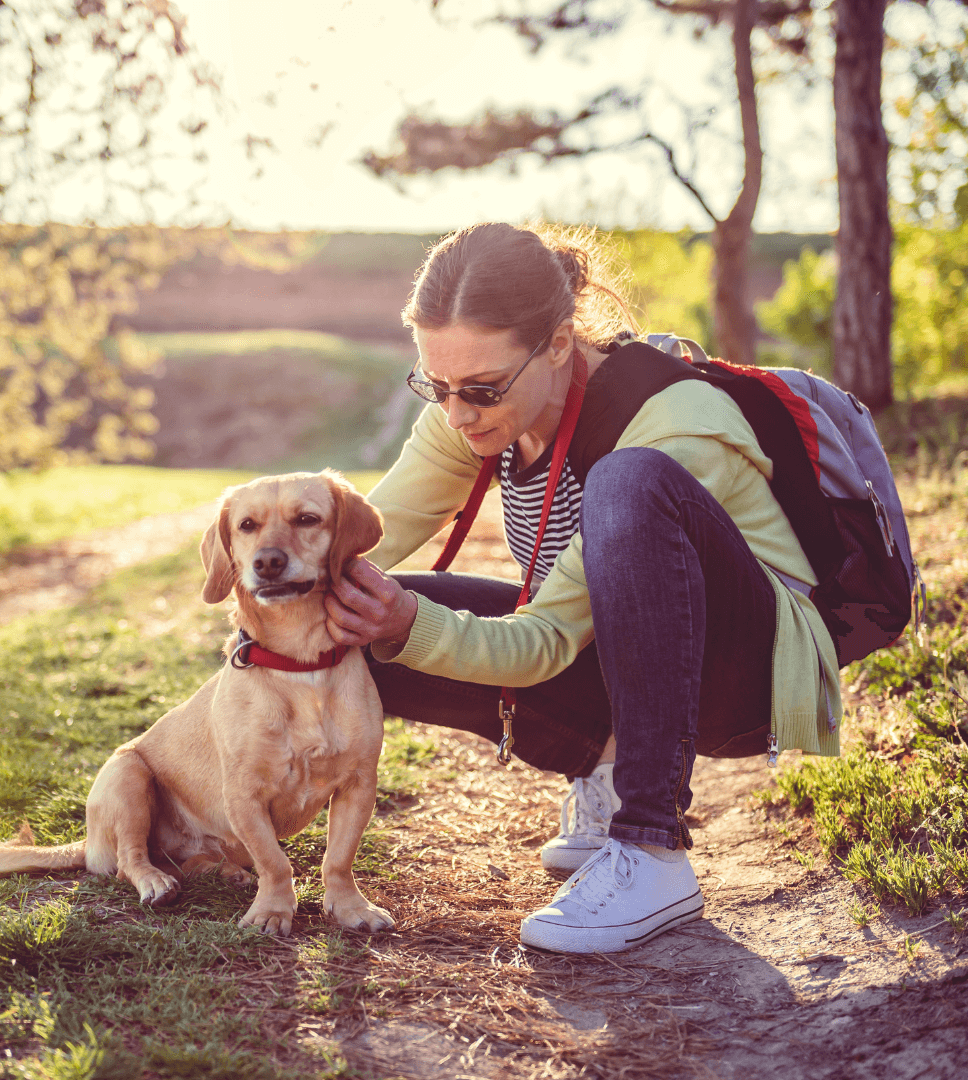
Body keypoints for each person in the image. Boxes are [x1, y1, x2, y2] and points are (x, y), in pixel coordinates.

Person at [323, 222, 841, 955]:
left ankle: (652, 846)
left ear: (559, 345)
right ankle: (602, 763)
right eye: (436, 386)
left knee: (626, 484)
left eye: (480, 388)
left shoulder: (671, 425)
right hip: (614, 654)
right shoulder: (472, 413)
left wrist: (413, 624)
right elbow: (357, 540)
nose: (457, 413)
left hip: (741, 676)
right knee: (343, 616)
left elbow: (542, 642)